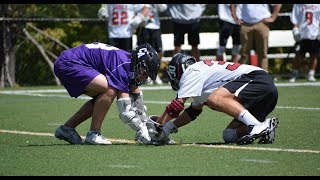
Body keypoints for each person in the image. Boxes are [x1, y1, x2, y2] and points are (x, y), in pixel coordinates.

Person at [147, 53, 279, 145]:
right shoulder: (203, 77)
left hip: (257, 78)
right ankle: (264, 126)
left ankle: (256, 125)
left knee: (214, 98)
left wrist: (159, 126)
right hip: (266, 90)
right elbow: (193, 112)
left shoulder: (192, 71)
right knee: (229, 135)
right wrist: (169, 126)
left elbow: (177, 105)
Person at [53, 42, 160, 145]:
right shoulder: (122, 66)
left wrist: (147, 126)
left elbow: (137, 99)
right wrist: (141, 130)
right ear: (138, 63)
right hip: (69, 63)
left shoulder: (129, 64)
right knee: (109, 90)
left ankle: (67, 129)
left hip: (73, 62)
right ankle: (94, 134)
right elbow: (126, 112)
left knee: (102, 98)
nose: (145, 77)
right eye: (145, 72)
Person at [230, 4, 282, 72]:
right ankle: (244, 74)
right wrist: (235, 18)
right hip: (245, 24)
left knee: (263, 52)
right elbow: (232, 5)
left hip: (262, 23)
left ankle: (263, 75)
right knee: (244, 53)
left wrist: (273, 18)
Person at [136, 4, 168, 84]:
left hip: (155, 27)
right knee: (143, 53)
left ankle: (154, 73)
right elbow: (135, 10)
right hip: (143, 27)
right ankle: (145, 74)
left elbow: (163, 8)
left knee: (159, 52)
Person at [288, 4, 320, 83]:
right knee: (299, 56)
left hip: (314, 34)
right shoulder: (298, 5)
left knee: (314, 55)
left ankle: (311, 74)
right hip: (302, 35)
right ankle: (294, 73)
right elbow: (295, 19)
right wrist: (295, 30)